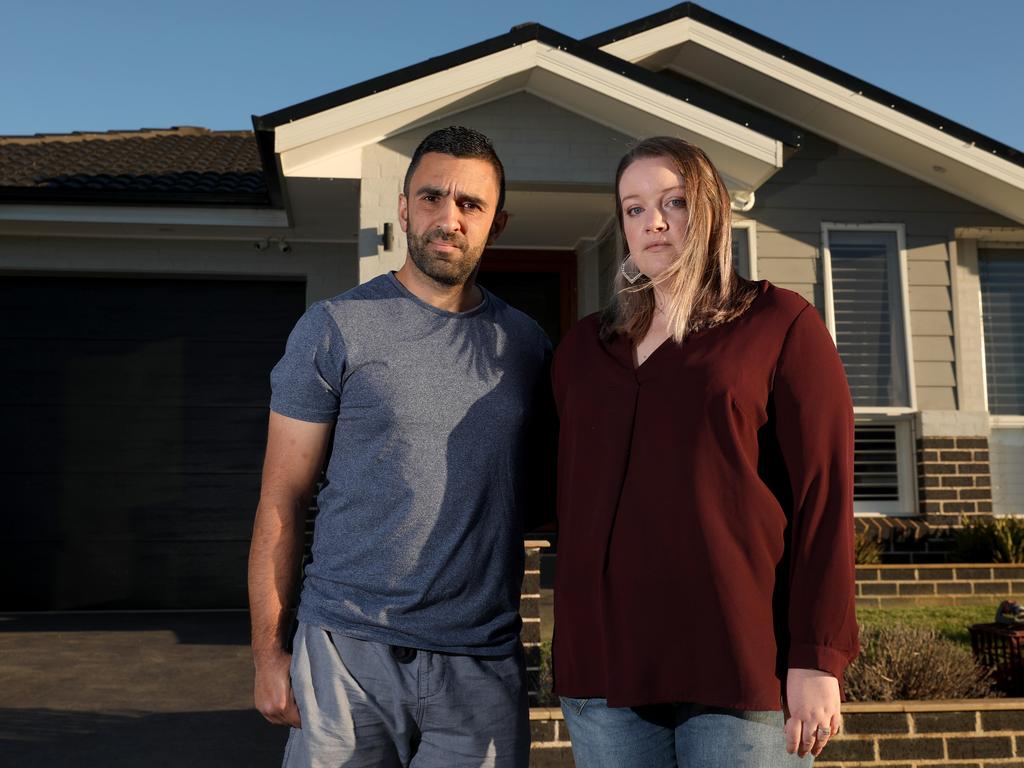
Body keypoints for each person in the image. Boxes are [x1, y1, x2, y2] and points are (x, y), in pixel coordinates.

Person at [248, 125, 552, 768]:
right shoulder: (333, 327)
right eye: (432, 197)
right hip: (345, 655)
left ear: (497, 223)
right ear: (404, 208)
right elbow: (282, 497)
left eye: (471, 204)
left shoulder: (525, 345)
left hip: (480, 663)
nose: (449, 218)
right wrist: (270, 654)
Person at [550, 136, 859, 768]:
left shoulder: (779, 324)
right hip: (603, 666)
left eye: (674, 201)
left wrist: (817, 657)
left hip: (739, 665)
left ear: (712, 210)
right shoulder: (584, 349)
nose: (653, 222)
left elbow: (824, 500)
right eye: (634, 208)